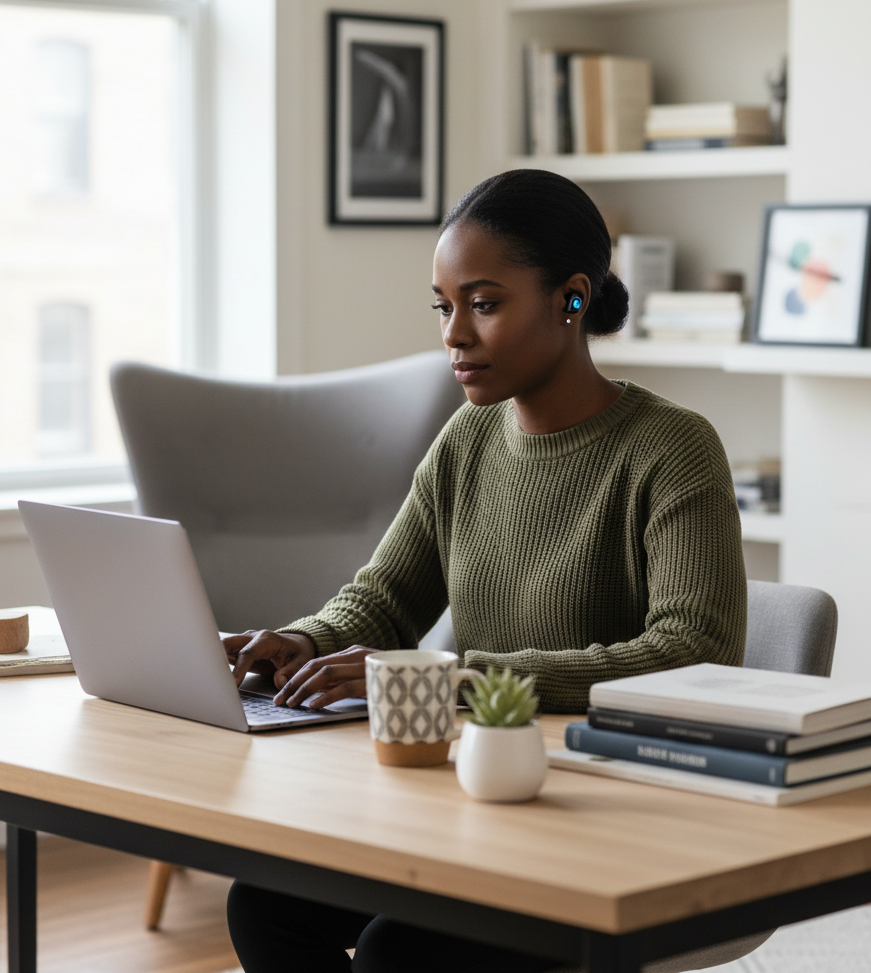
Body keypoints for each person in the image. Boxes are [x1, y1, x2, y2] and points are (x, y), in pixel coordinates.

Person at [223, 169, 747, 973]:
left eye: (485, 302)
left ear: (572, 301)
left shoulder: (671, 448)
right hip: (477, 802)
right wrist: (298, 641)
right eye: (444, 306)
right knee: (265, 905)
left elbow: (693, 651)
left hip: (610, 813)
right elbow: (384, 600)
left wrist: (456, 681)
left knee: (401, 954)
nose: (454, 334)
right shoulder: (466, 445)